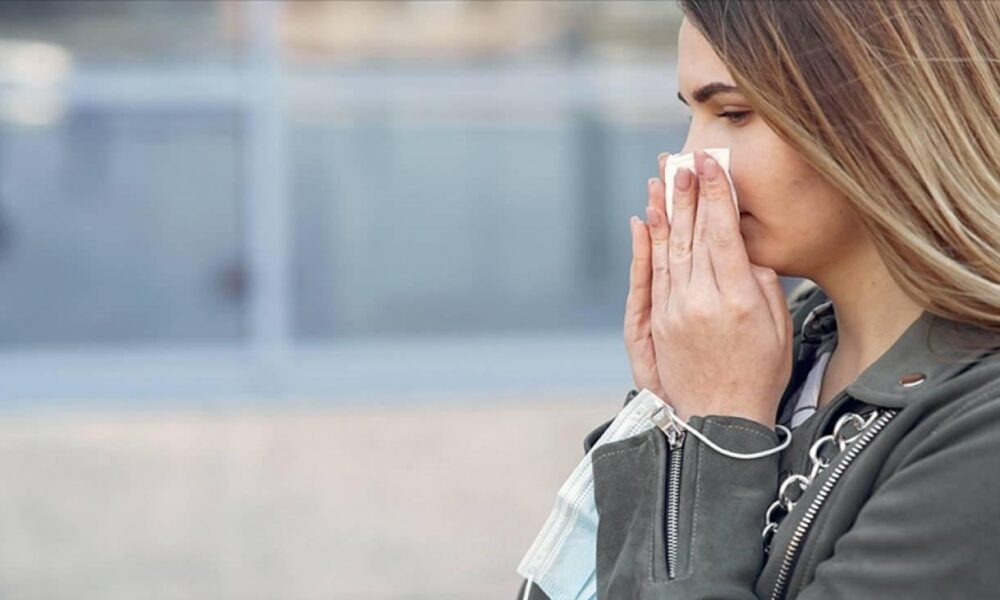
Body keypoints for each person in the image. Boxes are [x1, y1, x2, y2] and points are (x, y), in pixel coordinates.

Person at [515, 1, 1000, 598]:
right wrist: (668, 413)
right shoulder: (768, 356)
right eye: (692, 113)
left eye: (734, 113)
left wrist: (717, 433)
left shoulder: (980, 426)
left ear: (890, 115)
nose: (689, 162)